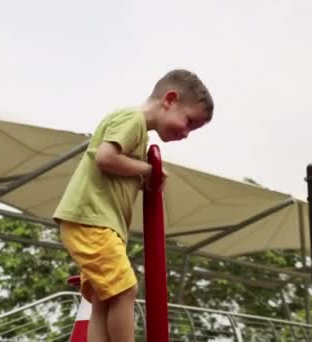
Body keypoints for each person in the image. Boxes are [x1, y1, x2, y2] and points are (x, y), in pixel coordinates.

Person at [54, 69, 214, 341]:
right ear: (170, 99)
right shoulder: (132, 119)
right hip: (92, 221)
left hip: (96, 222)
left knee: (104, 299)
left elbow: (116, 172)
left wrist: (144, 177)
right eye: (188, 122)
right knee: (125, 290)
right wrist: (148, 171)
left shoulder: (139, 135)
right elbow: (105, 157)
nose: (186, 133)